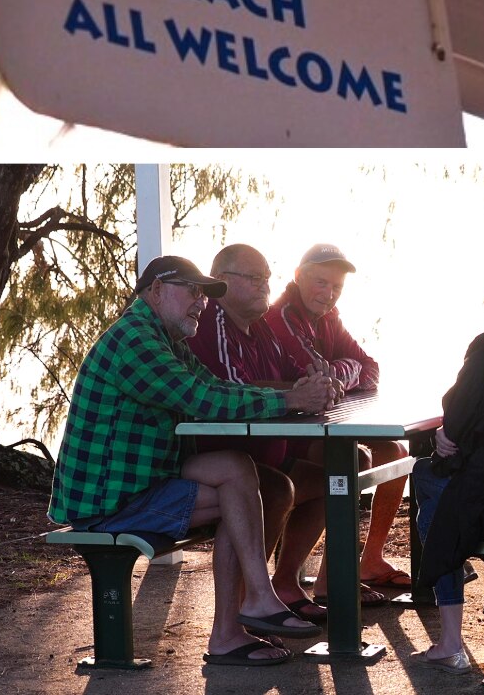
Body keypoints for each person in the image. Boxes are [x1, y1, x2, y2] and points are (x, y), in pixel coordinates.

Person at [49, 255, 338, 667]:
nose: (202, 302)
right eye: (192, 291)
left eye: (204, 294)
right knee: (241, 500)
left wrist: (296, 390)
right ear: (156, 290)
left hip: (144, 474)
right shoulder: (134, 340)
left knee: (240, 468)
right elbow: (200, 399)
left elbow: (213, 385)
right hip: (108, 499)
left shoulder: (164, 338)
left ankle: (253, 604)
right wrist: (291, 398)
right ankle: (236, 623)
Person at [186, 243, 337, 624]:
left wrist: (315, 384)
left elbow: (297, 371)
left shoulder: (263, 328)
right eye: (253, 278)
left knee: (330, 479)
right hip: (221, 459)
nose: (264, 287)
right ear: (220, 282)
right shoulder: (213, 321)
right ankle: (244, 611)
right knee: (273, 488)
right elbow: (232, 387)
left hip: (265, 454)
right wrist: (295, 394)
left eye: (267, 278)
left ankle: (284, 584)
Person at [262, 242, 409, 600]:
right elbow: (311, 377)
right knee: (350, 461)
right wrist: (340, 375)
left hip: (319, 424)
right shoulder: (281, 317)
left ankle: (367, 560)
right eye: (320, 282)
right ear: (298, 277)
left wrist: (344, 371)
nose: (328, 294)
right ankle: (297, 580)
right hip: (284, 431)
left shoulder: (330, 317)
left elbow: (369, 368)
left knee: (394, 451)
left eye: (337, 287)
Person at [411, 273, 484, 674]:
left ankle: (451, 640)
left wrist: (444, 434)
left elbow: (457, 416)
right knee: (434, 486)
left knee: (427, 480)